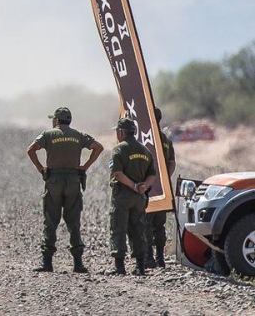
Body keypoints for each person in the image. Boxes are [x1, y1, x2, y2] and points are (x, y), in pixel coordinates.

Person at [27, 107, 104, 273]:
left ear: (56, 120)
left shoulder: (48, 134)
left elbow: (31, 149)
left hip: (53, 180)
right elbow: (98, 147)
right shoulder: (78, 135)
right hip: (73, 180)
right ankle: (78, 263)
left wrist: (41, 168)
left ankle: (47, 262)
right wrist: (85, 167)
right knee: (74, 221)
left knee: (50, 220)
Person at [108, 117, 156, 275]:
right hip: (139, 198)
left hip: (123, 195)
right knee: (138, 229)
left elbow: (117, 173)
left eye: (117, 131)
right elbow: (152, 175)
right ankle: (140, 266)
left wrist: (133, 186)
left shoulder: (119, 149)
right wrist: (143, 187)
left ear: (122, 132)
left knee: (118, 228)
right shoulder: (145, 150)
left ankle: (119, 267)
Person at [144, 107, 176, 268]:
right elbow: (172, 163)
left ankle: (149, 258)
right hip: (161, 187)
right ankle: (160, 258)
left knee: (147, 223)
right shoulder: (166, 140)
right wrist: (165, 179)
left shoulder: (145, 138)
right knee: (159, 224)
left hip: (148, 187)